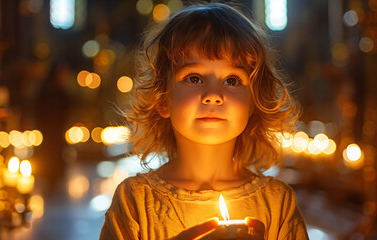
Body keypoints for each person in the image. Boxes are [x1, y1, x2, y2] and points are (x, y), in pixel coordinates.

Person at [100, 2, 308, 240]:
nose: (213, 96)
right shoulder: (136, 201)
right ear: (162, 99)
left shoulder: (275, 203)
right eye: (194, 78)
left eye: (231, 80)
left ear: (254, 102)